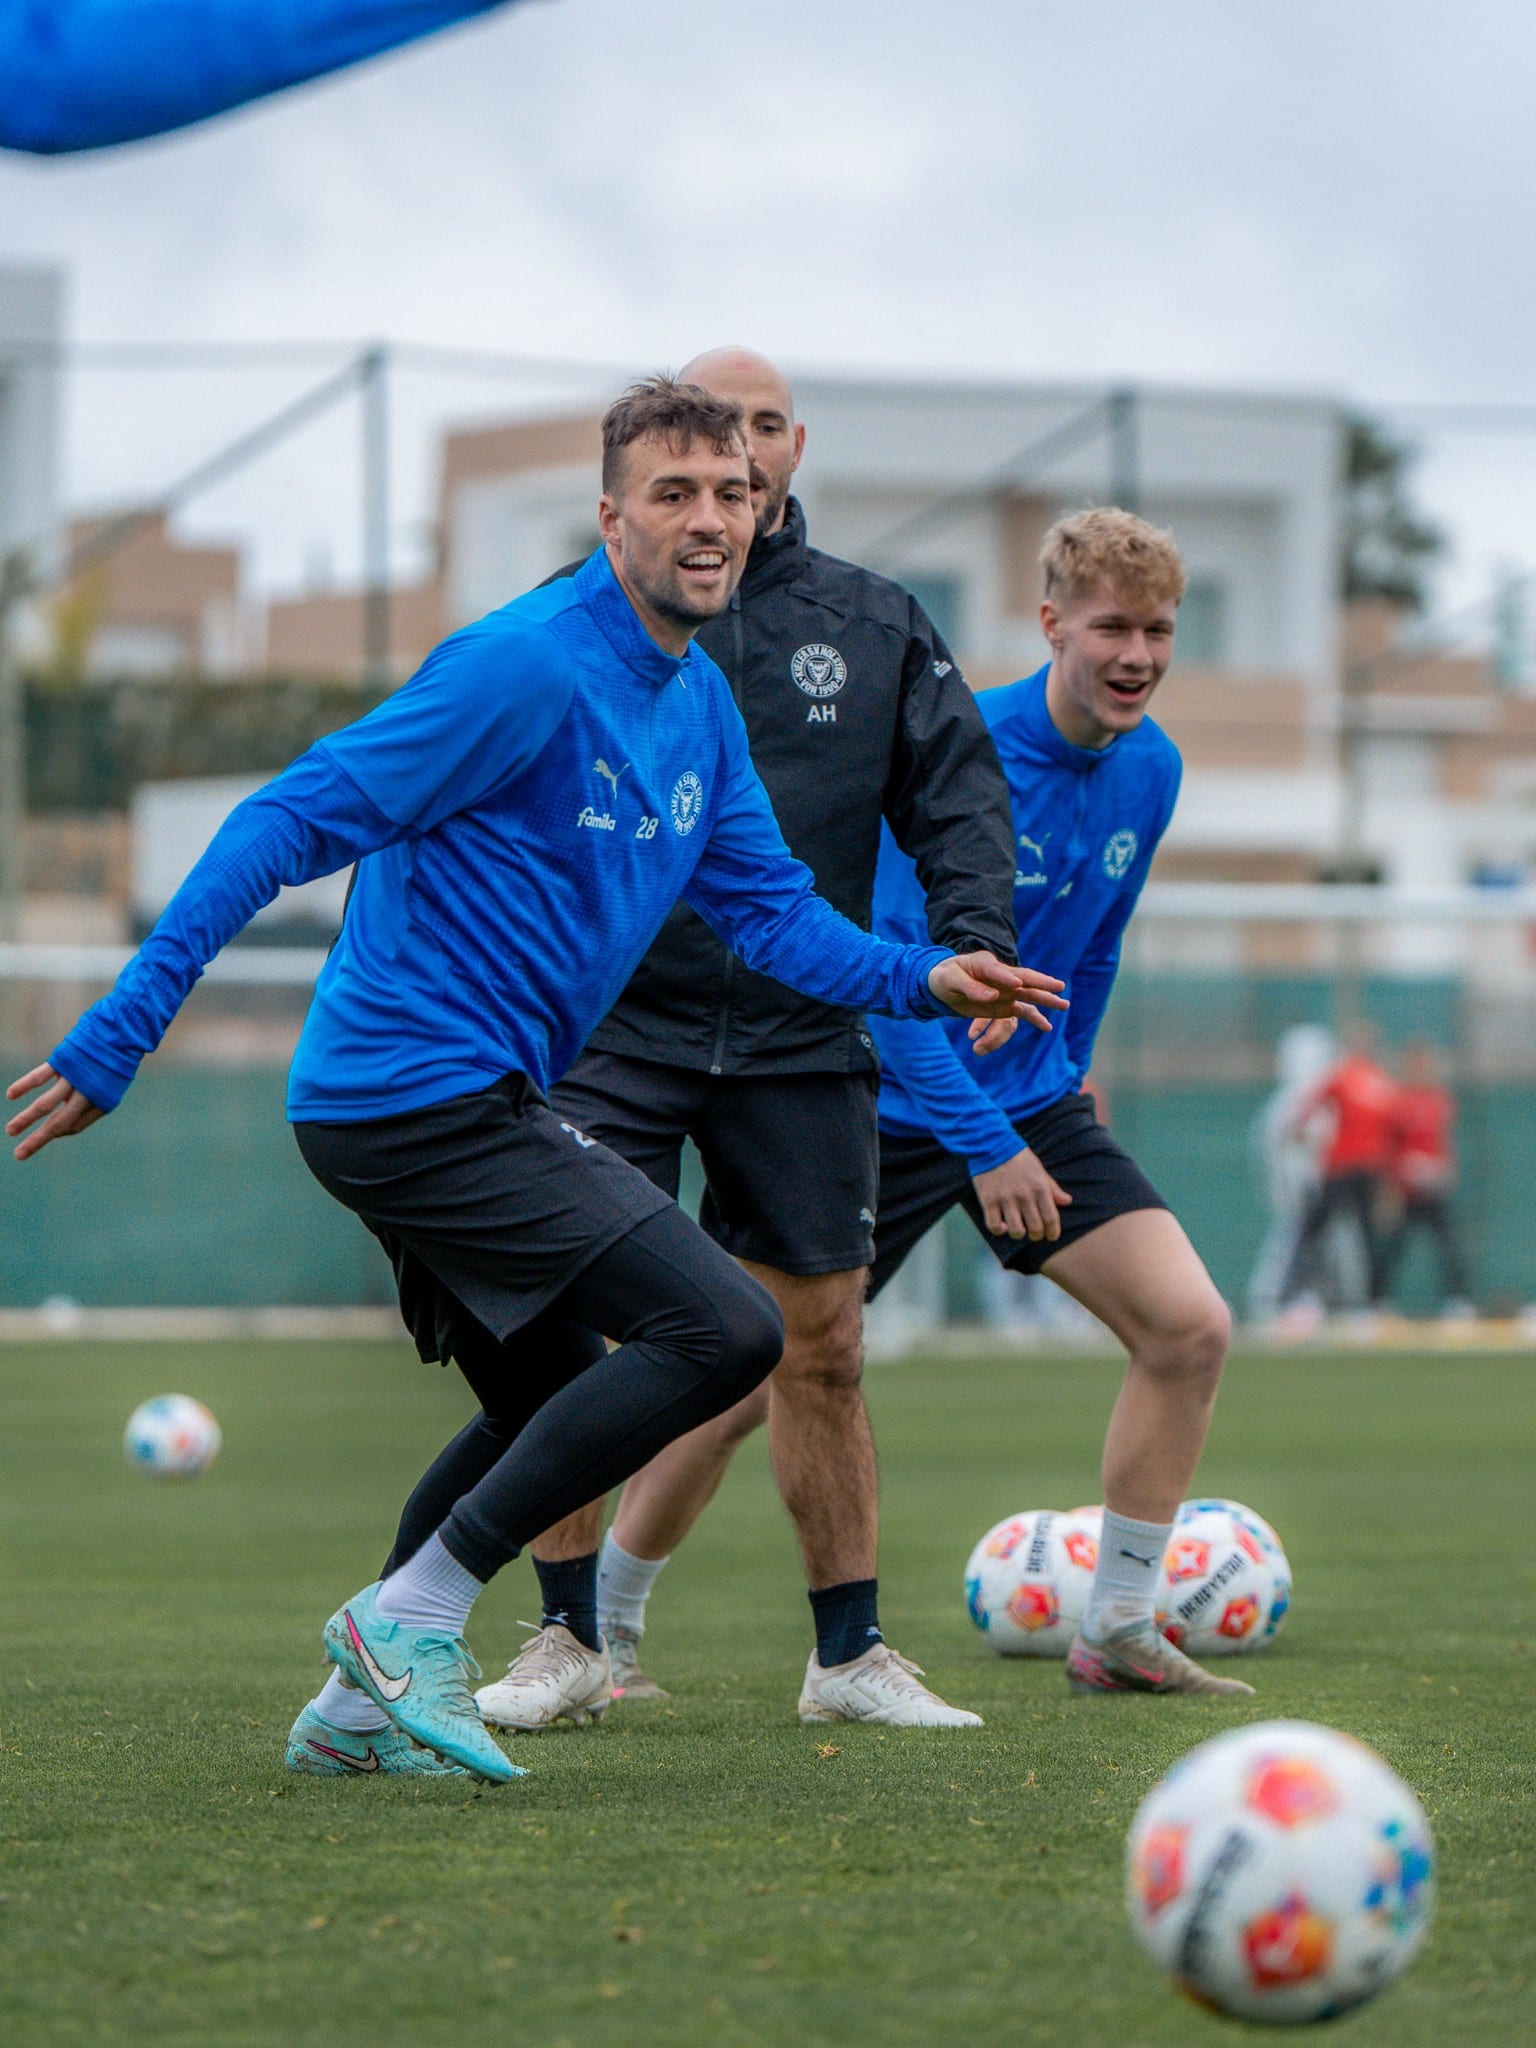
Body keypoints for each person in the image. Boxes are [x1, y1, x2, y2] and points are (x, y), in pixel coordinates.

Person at [6, 377, 1063, 1783]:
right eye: (674, 494)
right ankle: (417, 1617)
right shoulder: (521, 666)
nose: (709, 519)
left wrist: (920, 976)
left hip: (459, 1098)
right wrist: (122, 1029)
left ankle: (354, 1714)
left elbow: (774, 917)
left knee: (547, 1394)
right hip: (408, 1095)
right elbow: (286, 818)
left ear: (764, 511)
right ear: (612, 515)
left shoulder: (695, 711)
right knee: (727, 1336)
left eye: (734, 494)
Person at [577, 505, 1253, 1703]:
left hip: (1024, 1105)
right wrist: (988, 1144)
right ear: (1051, 624)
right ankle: (605, 1635)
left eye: (1158, 629)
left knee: (1188, 1325)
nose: (1137, 653)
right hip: (880, 1101)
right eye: (1111, 626)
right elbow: (890, 984)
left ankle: (1121, 1625)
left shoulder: (1155, 767)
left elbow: (1090, 949)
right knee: (731, 1380)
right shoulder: (955, 748)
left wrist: (1062, 1068)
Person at [475, 345, 1021, 1734]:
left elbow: (958, 795)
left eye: (763, 432)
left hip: (797, 1034)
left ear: (790, 449)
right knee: (575, 1332)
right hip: (617, 1025)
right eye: (707, 449)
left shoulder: (876, 619)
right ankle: (565, 1642)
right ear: (641, 496)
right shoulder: (571, 628)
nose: (740, 463)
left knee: (821, 1343)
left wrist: (973, 936)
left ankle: (849, 1658)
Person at [1279, 1026, 1398, 1317]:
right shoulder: (1367, 1080)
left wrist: (1297, 1130)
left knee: (1337, 1234)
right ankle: (1300, 1297)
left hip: (1352, 1169)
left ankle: (1367, 1303)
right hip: (1346, 1168)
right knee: (1326, 1233)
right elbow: (1310, 1106)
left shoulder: (1365, 1080)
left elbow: (1308, 1107)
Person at [1379, 1041, 1473, 1318]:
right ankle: (1376, 1303)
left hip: (1433, 1189)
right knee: (1393, 1247)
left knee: (1449, 1245)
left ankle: (1458, 1301)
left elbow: (1443, 1143)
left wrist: (1443, 1171)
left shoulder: (1439, 1100)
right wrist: (1391, 1187)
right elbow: (1389, 1147)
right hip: (1404, 1189)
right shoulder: (1397, 1100)